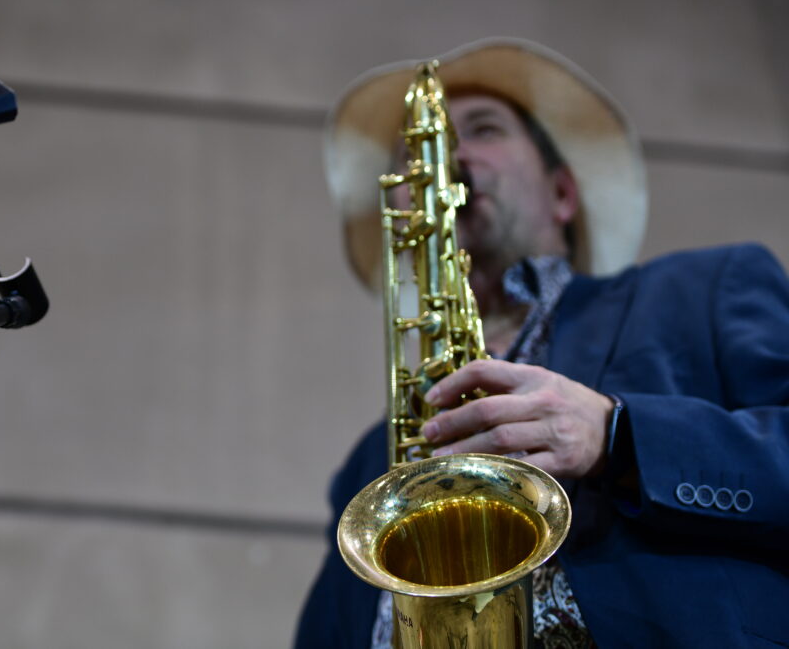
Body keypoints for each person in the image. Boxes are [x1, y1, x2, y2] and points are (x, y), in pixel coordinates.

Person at [294, 38, 789, 648]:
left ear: (562, 193)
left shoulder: (705, 288)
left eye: (484, 129)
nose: (450, 156)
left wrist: (617, 435)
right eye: (415, 154)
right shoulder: (368, 463)